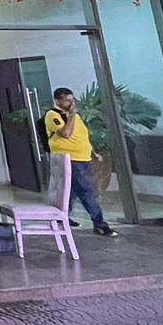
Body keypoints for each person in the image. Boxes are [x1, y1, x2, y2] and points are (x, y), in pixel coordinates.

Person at [44, 87, 119, 237]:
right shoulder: (53, 115)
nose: (72, 103)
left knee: (70, 192)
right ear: (58, 100)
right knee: (86, 191)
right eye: (67, 100)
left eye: (72, 99)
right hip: (70, 159)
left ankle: (61, 219)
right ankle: (100, 224)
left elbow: (80, 136)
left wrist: (92, 152)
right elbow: (66, 134)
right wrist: (71, 116)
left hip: (82, 157)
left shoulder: (74, 117)